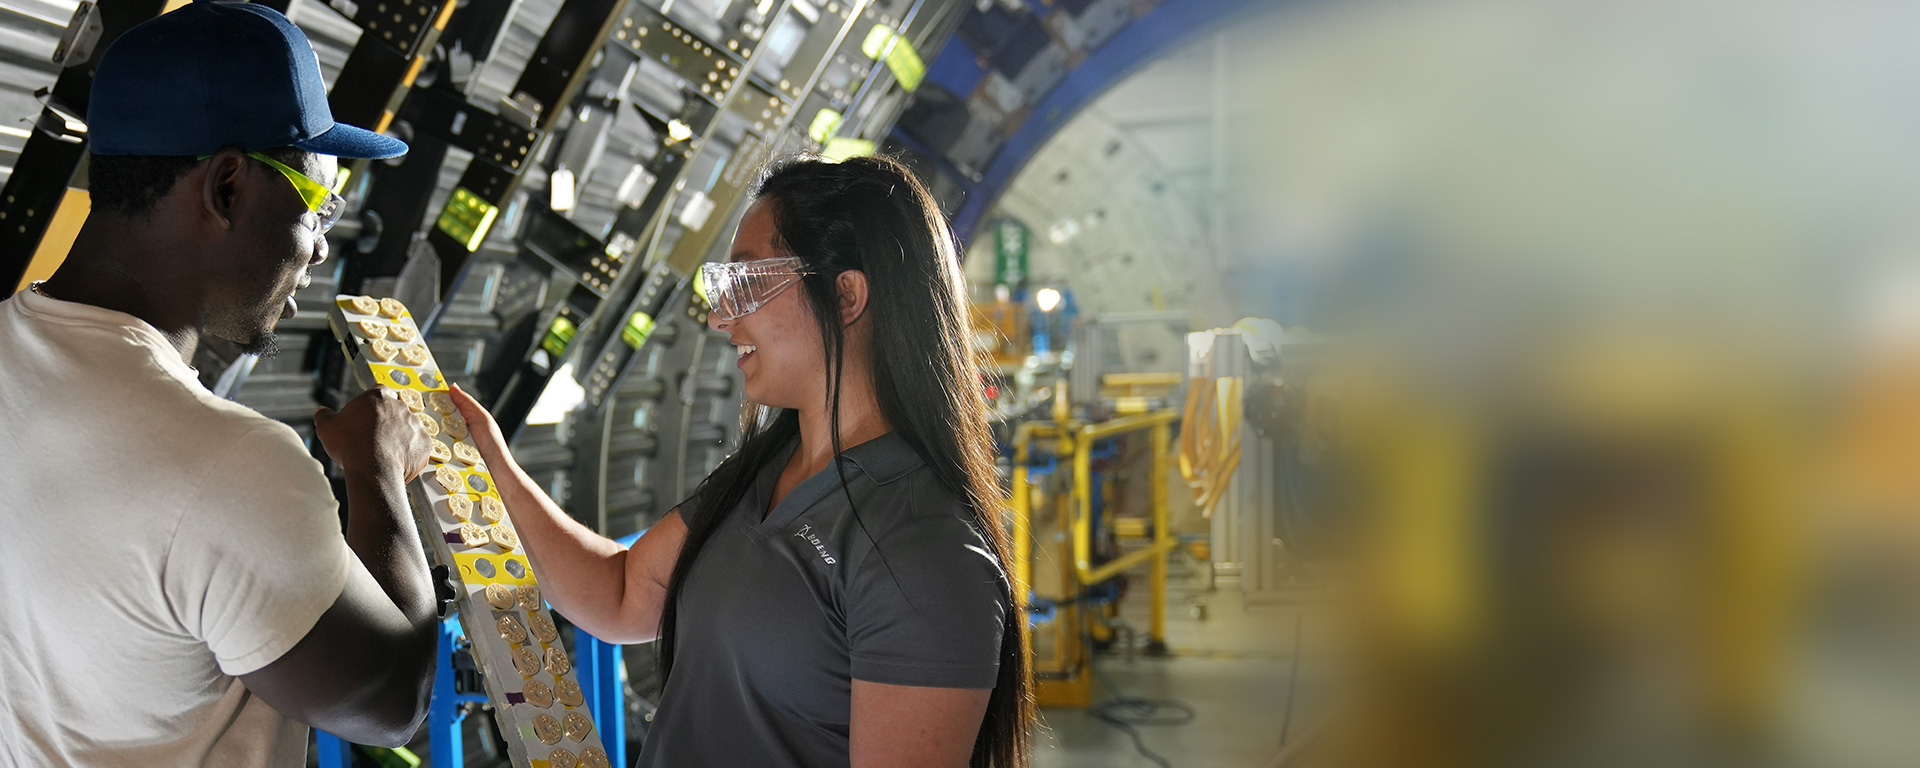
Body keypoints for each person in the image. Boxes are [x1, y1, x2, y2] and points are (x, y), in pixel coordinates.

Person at [448, 154, 1033, 767]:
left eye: (747, 284)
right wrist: (487, 457)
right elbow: (622, 592)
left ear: (846, 294)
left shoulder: (922, 549)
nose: (720, 316)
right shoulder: (766, 471)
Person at [0, 4, 439, 766]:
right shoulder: (228, 463)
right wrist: (377, 471)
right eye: (317, 205)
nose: (321, 247)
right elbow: (391, 698)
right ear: (228, 187)